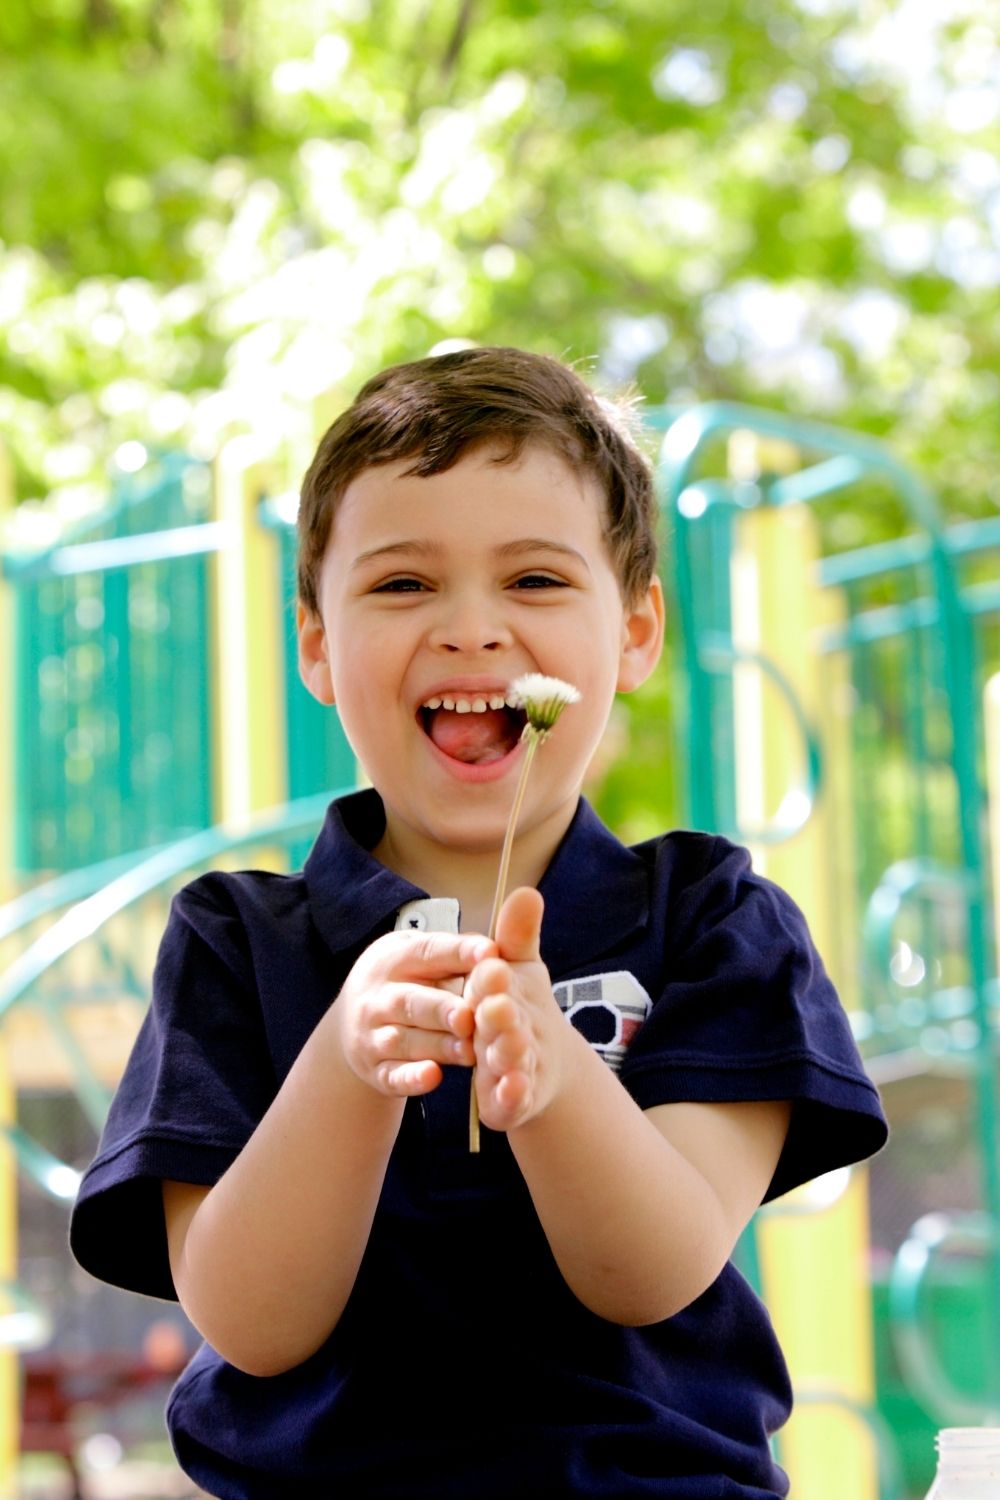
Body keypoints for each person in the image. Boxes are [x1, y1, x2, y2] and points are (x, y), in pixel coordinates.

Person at [71, 346, 888, 1499]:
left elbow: (654, 1269)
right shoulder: (233, 942)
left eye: (537, 582)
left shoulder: (715, 920)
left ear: (636, 632)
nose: (470, 629)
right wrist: (348, 1066)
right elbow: (249, 1323)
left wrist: (556, 1081)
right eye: (403, 584)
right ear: (315, 639)